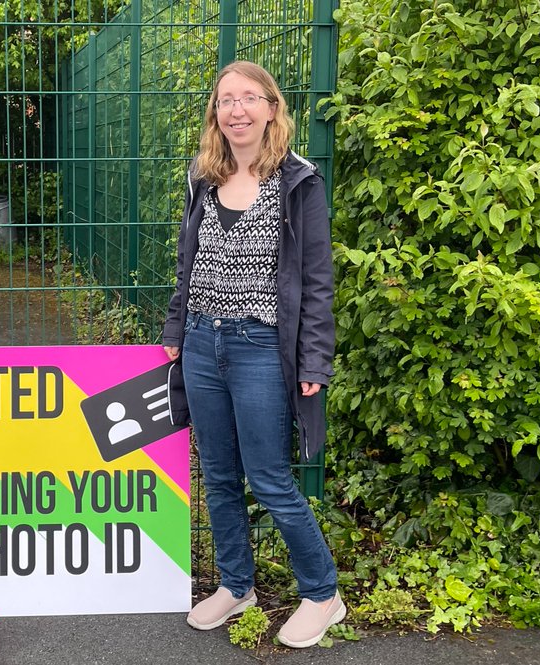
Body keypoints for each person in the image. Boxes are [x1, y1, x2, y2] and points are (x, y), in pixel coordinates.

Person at [162, 60, 343, 648]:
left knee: (268, 479)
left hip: (261, 347)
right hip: (201, 341)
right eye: (225, 100)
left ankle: (323, 594)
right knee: (217, 474)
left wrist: (313, 360)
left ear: (271, 107)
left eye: (248, 98)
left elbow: (316, 280)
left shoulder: (299, 182)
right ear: (216, 113)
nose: (236, 110)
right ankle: (237, 587)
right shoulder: (203, 176)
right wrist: (175, 328)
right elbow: (188, 263)